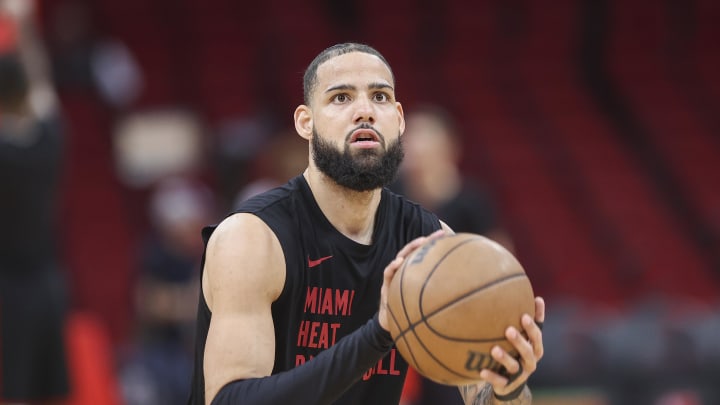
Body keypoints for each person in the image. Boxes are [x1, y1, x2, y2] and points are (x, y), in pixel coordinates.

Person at [187, 42, 545, 405]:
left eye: (380, 96)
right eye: (341, 98)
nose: (365, 111)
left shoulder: (430, 240)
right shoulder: (252, 238)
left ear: (399, 119)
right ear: (305, 122)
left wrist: (507, 386)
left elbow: (483, 397)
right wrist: (378, 333)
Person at [0, 0, 69, 404]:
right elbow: (42, 84)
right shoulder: (49, 141)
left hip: (10, 288)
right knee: (50, 391)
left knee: (15, 389)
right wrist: (23, 23)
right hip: (49, 283)